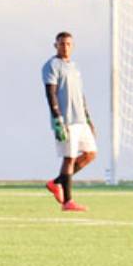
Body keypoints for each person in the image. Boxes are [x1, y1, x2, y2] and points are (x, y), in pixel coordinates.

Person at [42, 31, 96, 212]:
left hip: (80, 119)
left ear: (72, 46)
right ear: (55, 45)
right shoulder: (51, 65)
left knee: (90, 154)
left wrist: (89, 119)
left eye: (68, 44)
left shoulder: (74, 67)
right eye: (62, 44)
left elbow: (80, 95)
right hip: (66, 120)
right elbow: (51, 92)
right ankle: (68, 202)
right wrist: (57, 118)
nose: (65, 47)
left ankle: (56, 182)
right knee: (70, 158)